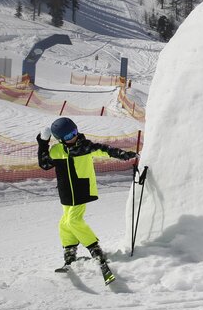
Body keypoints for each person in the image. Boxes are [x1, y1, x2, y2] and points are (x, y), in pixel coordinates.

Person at [36, 117, 138, 283]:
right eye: (68, 136)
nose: (73, 137)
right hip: (66, 193)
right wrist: (43, 142)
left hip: (81, 189)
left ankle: (96, 251)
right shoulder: (56, 151)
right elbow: (45, 164)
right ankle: (70, 255)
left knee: (74, 220)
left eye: (74, 132)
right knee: (64, 223)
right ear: (61, 139)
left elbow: (105, 150)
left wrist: (124, 154)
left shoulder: (84, 146)